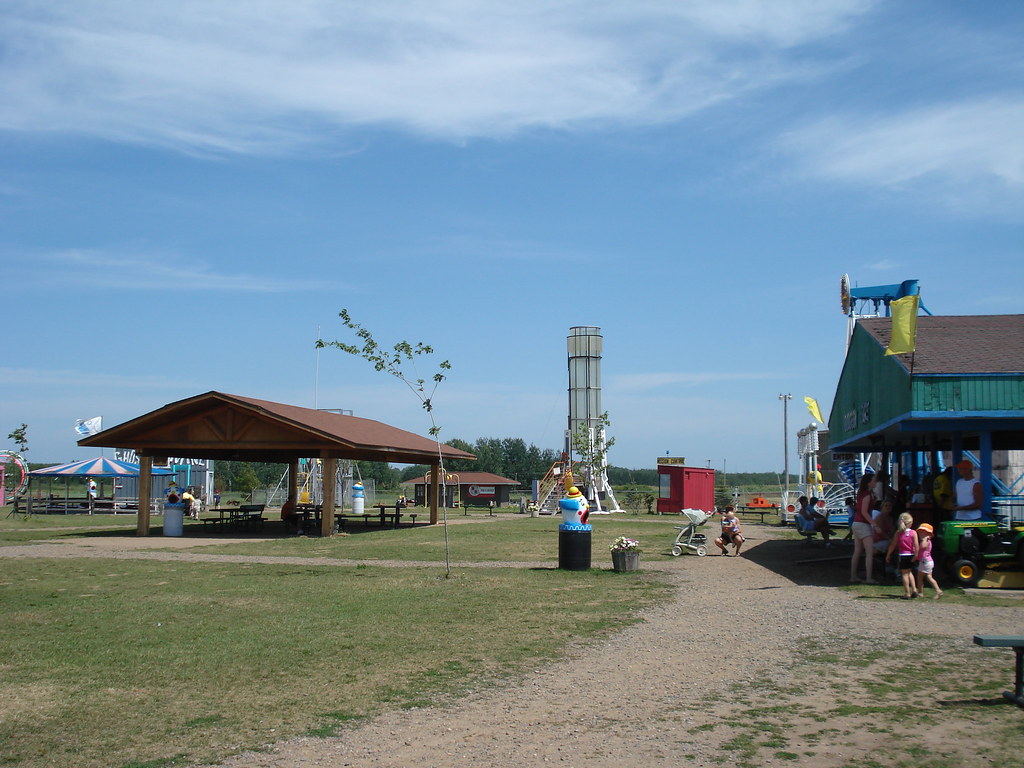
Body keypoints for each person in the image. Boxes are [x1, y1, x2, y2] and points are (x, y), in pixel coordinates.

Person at [850, 476, 877, 583]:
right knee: (869, 552)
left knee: (857, 551)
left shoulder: (862, 494)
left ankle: (853, 576)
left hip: (856, 523)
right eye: (874, 481)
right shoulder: (867, 495)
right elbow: (864, 512)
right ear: (869, 483)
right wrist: (874, 524)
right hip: (863, 524)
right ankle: (869, 578)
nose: (875, 482)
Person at [886, 512, 920, 599]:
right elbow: (916, 545)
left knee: (904, 574)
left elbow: (893, 545)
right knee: (910, 572)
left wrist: (889, 554)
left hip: (903, 555)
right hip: (911, 555)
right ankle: (914, 589)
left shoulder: (899, 533)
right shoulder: (913, 533)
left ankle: (907, 592)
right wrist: (916, 554)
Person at [914, 523, 943, 600]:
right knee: (928, 577)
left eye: (922, 532)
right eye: (919, 532)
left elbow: (923, 546)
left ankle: (921, 592)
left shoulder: (926, 540)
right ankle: (937, 590)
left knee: (920, 577)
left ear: (928, 533)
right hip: (928, 561)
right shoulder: (927, 540)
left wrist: (923, 540)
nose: (920, 533)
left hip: (925, 562)